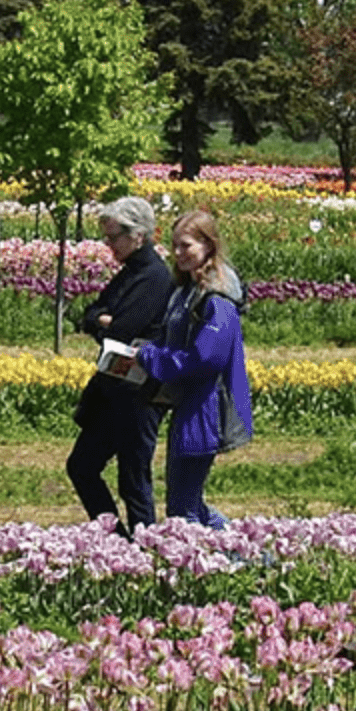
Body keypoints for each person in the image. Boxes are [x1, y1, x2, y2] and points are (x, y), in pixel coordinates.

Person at [136, 209, 253, 532]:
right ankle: (249, 552)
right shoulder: (187, 290)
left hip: (207, 407)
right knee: (188, 502)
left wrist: (152, 360)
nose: (178, 254)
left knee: (182, 508)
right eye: (174, 246)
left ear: (209, 245)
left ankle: (237, 557)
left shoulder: (217, 299)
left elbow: (205, 359)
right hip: (190, 404)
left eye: (186, 245)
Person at [65, 197, 171, 537]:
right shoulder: (131, 273)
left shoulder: (154, 277)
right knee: (81, 466)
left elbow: (121, 329)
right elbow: (91, 314)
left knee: (134, 480)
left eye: (113, 238)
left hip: (139, 394)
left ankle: (145, 553)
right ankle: (117, 543)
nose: (108, 245)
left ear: (137, 236)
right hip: (115, 390)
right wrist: (102, 321)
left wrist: (106, 322)